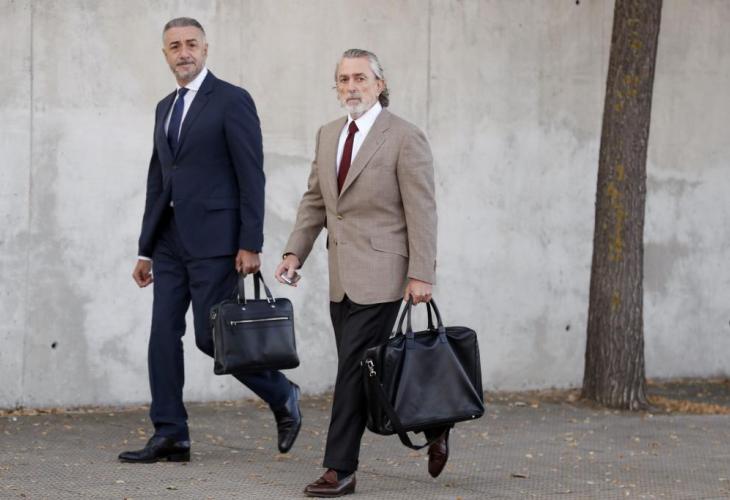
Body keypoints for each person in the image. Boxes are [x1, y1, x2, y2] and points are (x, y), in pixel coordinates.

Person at [119, 17, 301, 464]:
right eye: (175, 46)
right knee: (162, 336)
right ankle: (170, 434)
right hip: (169, 242)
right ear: (165, 54)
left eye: (191, 44)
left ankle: (282, 393)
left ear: (205, 48)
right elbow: (159, 179)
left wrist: (250, 242)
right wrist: (145, 248)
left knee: (209, 336)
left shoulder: (232, 100)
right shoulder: (165, 107)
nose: (184, 52)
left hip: (216, 241)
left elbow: (251, 175)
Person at [274, 49, 450, 497]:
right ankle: (435, 421)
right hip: (341, 278)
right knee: (371, 372)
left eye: (360, 78)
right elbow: (316, 201)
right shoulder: (328, 134)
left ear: (379, 84)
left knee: (353, 371)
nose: (351, 86)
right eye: (343, 79)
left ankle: (340, 469)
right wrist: (295, 253)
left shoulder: (404, 136)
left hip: (385, 274)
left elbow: (422, 211)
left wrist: (421, 274)